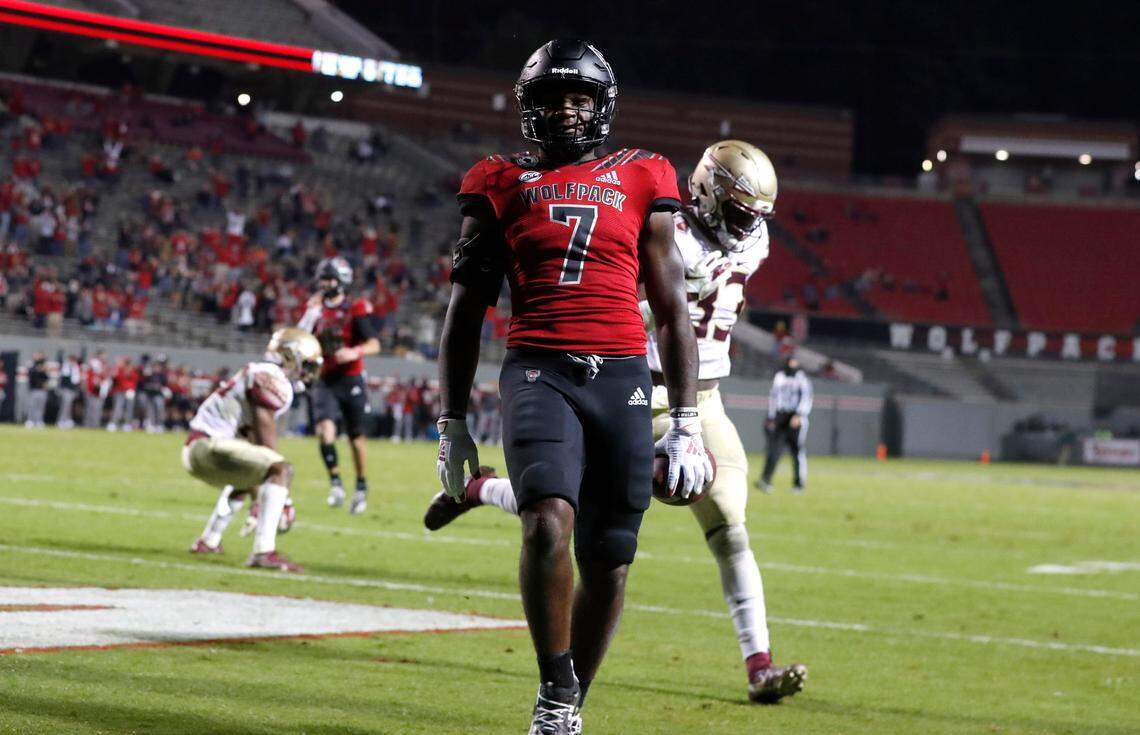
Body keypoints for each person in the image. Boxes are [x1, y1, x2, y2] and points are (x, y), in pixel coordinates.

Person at [426, 140, 808, 705]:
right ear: (704, 193)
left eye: (754, 214)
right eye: (738, 211)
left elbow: (725, 304)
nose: (746, 224)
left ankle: (759, 665)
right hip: (636, 389)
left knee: (729, 520)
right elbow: (611, 298)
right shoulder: (664, 231)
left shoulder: (754, 241)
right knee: (572, 508)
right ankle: (483, 489)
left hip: (703, 398)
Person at [434, 39, 711, 735]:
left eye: (579, 97)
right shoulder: (496, 179)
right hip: (537, 366)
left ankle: (566, 704)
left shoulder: (644, 173)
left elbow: (673, 309)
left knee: (611, 554)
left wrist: (687, 420)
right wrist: (452, 420)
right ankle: (554, 683)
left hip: (620, 371)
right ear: (530, 108)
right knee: (546, 519)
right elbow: (465, 311)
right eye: (552, 98)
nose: (566, 111)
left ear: (602, 105)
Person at [186, 327, 321, 571]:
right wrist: (285, 500)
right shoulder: (271, 377)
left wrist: (257, 498)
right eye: (308, 364)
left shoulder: (262, 372)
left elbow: (251, 442)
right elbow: (264, 434)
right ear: (291, 356)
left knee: (245, 475)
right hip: (207, 446)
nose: (310, 372)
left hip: (204, 448)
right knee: (280, 469)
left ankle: (209, 540)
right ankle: (263, 552)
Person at [297, 256, 380, 515]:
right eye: (322, 278)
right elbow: (301, 339)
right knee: (325, 432)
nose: (325, 283)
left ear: (342, 280)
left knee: (356, 440)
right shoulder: (314, 309)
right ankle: (335, 483)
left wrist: (354, 352)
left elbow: (374, 344)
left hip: (351, 379)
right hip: (325, 379)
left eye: (329, 278)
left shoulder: (355, 308)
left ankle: (361, 486)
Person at [757, 357, 813, 493]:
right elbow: (774, 397)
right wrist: (771, 417)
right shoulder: (780, 376)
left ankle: (799, 484)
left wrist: (799, 415)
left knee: (797, 451)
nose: (792, 365)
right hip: (781, 416)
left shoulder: (802, 379)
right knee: (774, 450)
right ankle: (765, 480)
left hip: (795, 417)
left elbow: (807, 397)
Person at [106, 356, 138, 431]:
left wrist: (131, 389)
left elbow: (135, 380)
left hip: (129, 392)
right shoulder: (119, 370)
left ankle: (127, 424)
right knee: (117, 408)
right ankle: (113, 423)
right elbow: (115, 378)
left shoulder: (133, 371)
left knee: (129, 409)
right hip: (119, 391)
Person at [82, 350, 109, 428]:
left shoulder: (104, 365)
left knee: (98, 408)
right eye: (103, 355)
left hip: (100, 390)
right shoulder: (93, 363)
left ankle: (95, 424)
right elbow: (89, 375)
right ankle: (87, 424)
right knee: (90, 407)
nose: (104, 357)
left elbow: (104, 376)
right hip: (91, 388)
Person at [56, 353, 82, 429]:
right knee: (65, 406)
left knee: (68, 406)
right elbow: (63, 379)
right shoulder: (65, 367)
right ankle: (61, 420)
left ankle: (67, 419)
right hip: (65, 390)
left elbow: (76, 381)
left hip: (72, 390)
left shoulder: (76, 368)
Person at [24, 351, 49, 428]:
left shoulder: (44, 365)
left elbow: (46, 377)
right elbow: (30, 373)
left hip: (42, 389)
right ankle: (30, 420)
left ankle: (39, 421)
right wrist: (38, 369)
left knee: (40, 406)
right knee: (32, 405)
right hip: (34, 389)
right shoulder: (32, 364)